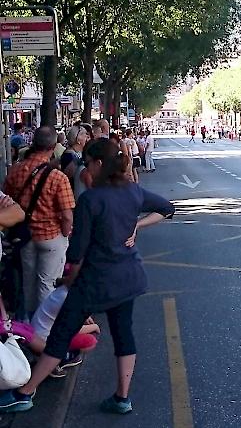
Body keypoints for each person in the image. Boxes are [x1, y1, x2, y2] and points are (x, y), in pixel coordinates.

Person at [0, 138, 174, 414]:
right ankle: (122, 397)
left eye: (89, 163)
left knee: (60, 334)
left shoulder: (90, 199)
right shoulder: (132, 191)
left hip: (93, 281)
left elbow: (77, 252)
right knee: (123, 333)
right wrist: (136, 227)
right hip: (128, 277)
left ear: (99, 164)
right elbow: (167, 208)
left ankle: (25, 392)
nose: (86, 168)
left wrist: (68, 279)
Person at [3, 125, 75, 316]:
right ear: (53, 146)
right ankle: (44, 329)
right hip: (51, 236)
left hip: (25, 235)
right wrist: (65, 233)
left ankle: (28, 325)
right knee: (48, 284)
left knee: (29, 282)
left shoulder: (16, 170)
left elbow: (7, 204)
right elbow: (67, 215)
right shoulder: (58, 176)